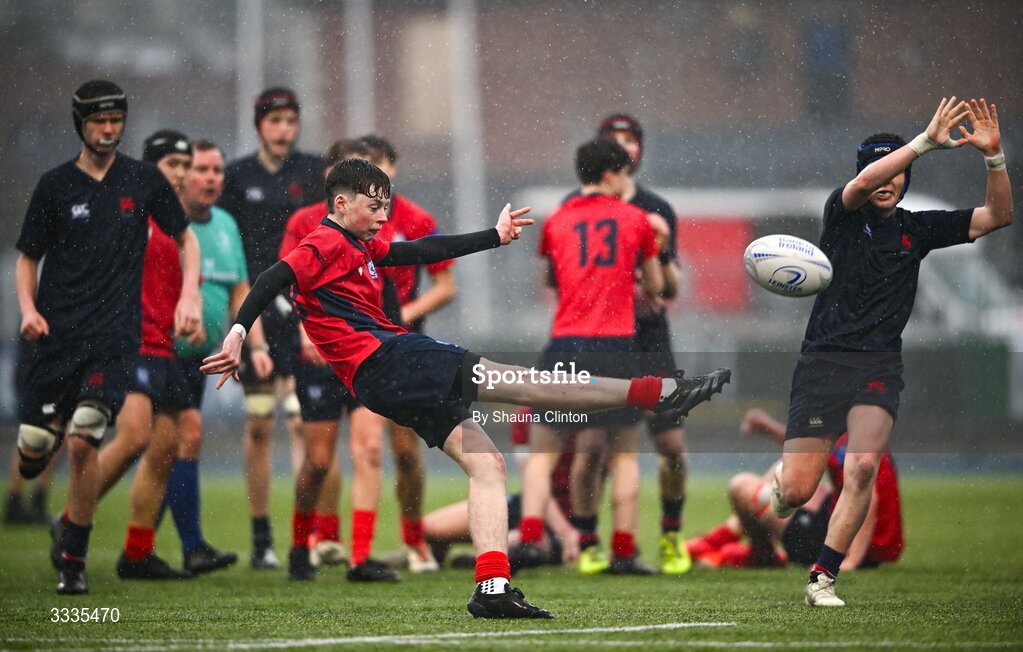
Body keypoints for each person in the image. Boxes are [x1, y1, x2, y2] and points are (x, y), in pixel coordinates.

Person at [201, 157, 730, 618]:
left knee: (487, 463)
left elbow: (424, 250)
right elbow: (274, 276)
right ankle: (658, 392)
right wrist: (238, 333)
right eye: (374, 204)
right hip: (396, 360)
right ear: (341, 203)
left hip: (385, 378)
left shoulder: (361, 245)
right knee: (532, 386)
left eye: (387, 204)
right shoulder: (325, 239)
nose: (384, 215)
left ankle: (493, 587)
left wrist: (492, 237)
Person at [769, 97, 1012, 607]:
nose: (889, 179)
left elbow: (998, 216)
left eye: (899, 171)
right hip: (822, 364)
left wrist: (993, 158)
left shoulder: (916, 229)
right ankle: (781, 488)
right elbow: (861, 184)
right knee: (795, 491)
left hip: (878, 366)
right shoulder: (842, 212)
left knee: (860, 469)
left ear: (906, 181)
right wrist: (922, 144)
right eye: (883, 167)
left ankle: (822, 579)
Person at [15, 81, 201, 594]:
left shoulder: (142, 181)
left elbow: (187, 239)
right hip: (57, 339)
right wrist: (28, 310)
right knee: (35, 451)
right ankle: (38, 457)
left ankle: (72, 561)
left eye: (116, 119)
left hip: (114, 339)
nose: (109, 128)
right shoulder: (55, 186)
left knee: (85, 440)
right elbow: (28, 258)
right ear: (81, 123)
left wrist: (190, 297)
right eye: (99, 120)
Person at [517, 138, 663, 576]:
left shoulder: (556, 220)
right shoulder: (637, 219)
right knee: (623, 456)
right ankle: (623, 551)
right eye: (624, 175)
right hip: (617, 347)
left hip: (566, 345)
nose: (626, 184)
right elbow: (654, 289)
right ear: (610, 174)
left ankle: (528, 540)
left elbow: (549, 278)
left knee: (543, 453)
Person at [281, 138, 399, 583]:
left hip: (365, 358)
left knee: (369, 450)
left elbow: (385, 292)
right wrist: (301, 332)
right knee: (316, 461)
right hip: (319, 357)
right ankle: (299, 544)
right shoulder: (306, 225)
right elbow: (289, 282)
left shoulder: (372, 231)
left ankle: (360, 558)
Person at [219, 87, 325, 568]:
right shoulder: (236, 178)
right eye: (275, 120)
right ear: (259, 124)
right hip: (257, 309)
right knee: (260, 423)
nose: (284, 128)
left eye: (291, 119)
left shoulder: (315, 173)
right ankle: (262, 538)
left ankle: (314, 537)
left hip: (303, 311)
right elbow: (232, 257)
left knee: (307, 423)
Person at [160, 138, 273, 574]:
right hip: (156, 350)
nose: (211, 178)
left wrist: (256, 345)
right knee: (166, 440)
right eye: (201, 170)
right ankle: (185, 546)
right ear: (182, 176)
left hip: (198, 358)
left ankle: (148, 546)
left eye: (217, 170)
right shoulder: (162, 223)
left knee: (164, 447)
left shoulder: (225, 223)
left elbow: (240, 288)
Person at [596, 114, 691, 575]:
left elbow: (670, 288)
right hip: (601, 339)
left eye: (629, 140)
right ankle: (595, 543)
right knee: (602, 449)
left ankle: (672, 536)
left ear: (640, 150)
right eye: (612, 140)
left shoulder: (656, 208)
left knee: (671, 446)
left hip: (651, 342)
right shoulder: (579, 206)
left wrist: (663, 253)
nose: (621, 147)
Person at [360, 134, 457, 573]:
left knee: (405, 451)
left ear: (392, 168)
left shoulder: (417, 218)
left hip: (402, 347)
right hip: (356, 346)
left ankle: (414, 541)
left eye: (377, 164)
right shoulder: (344, 221)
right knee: (359, 449)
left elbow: (446, 287)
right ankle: (338, 546)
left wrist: (400, 317)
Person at [687, 409, 903, 570]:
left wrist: (849, 562)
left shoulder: (846, 436)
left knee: (740, 485)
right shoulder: (861, 424)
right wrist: (771, 429)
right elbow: (811, 450)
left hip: (844, 539)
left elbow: (868, 497)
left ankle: (760, 555)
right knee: (786, 469)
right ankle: (720, 539)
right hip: (873, 543)